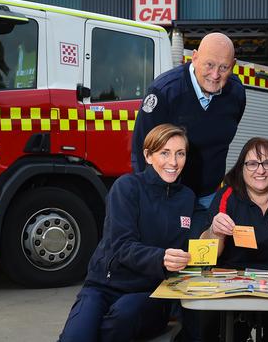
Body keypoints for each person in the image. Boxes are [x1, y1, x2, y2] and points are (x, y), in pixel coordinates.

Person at [59, 124, 194, 342]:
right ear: (148, 156)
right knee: (76, 337)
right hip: (103, 286)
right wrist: (161, 257)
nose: (174, 162)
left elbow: (196, 243)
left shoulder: (187, 198)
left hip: (150, 291)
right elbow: (121, 245)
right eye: (165, 153)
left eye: (180, 154)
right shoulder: (127, 187)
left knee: (122, 318)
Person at [131, 32, 246, 237]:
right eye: (209, 65)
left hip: (209, 196)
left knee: (202, 259)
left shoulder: (236, 93)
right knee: (166, 255)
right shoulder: (164, 92)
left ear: (234, 65)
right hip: (168, 196)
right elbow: (143, 150)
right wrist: (152, 200)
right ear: (194, 57)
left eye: (224, 67)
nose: (215, 75)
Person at [199, 137, 268, 342]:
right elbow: (208, 253)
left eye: (267, 163)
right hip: (233, 283)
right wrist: (215, 231)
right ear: (241, 167)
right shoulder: (227, 194)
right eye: (252, 163)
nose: (260, 170)